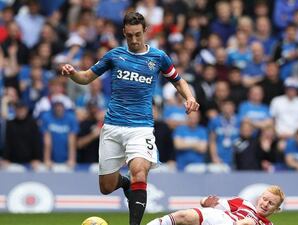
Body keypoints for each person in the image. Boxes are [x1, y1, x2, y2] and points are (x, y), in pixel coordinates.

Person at [60, 12, 199, 225]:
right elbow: (86, 77)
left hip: (140, 127)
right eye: (130, 35)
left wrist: (189, 97)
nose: (134, 40)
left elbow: (178, 81)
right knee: (106, 187)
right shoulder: (114, 56)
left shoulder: (158, 57)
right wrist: (72, 73)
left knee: (139, 172)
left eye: (138, 35)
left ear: (146, 31)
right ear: (124, 32)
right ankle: (124, 184)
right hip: (113, 126)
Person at [146, 185, 285, 225]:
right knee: (182, 215)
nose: (265, 204)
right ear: (259, 197)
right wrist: (205, 202)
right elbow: (213, 203)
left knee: (248, 223)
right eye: (265, 199)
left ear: (277, 209)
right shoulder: (244, 203)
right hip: (220, 219)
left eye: (271, 203)